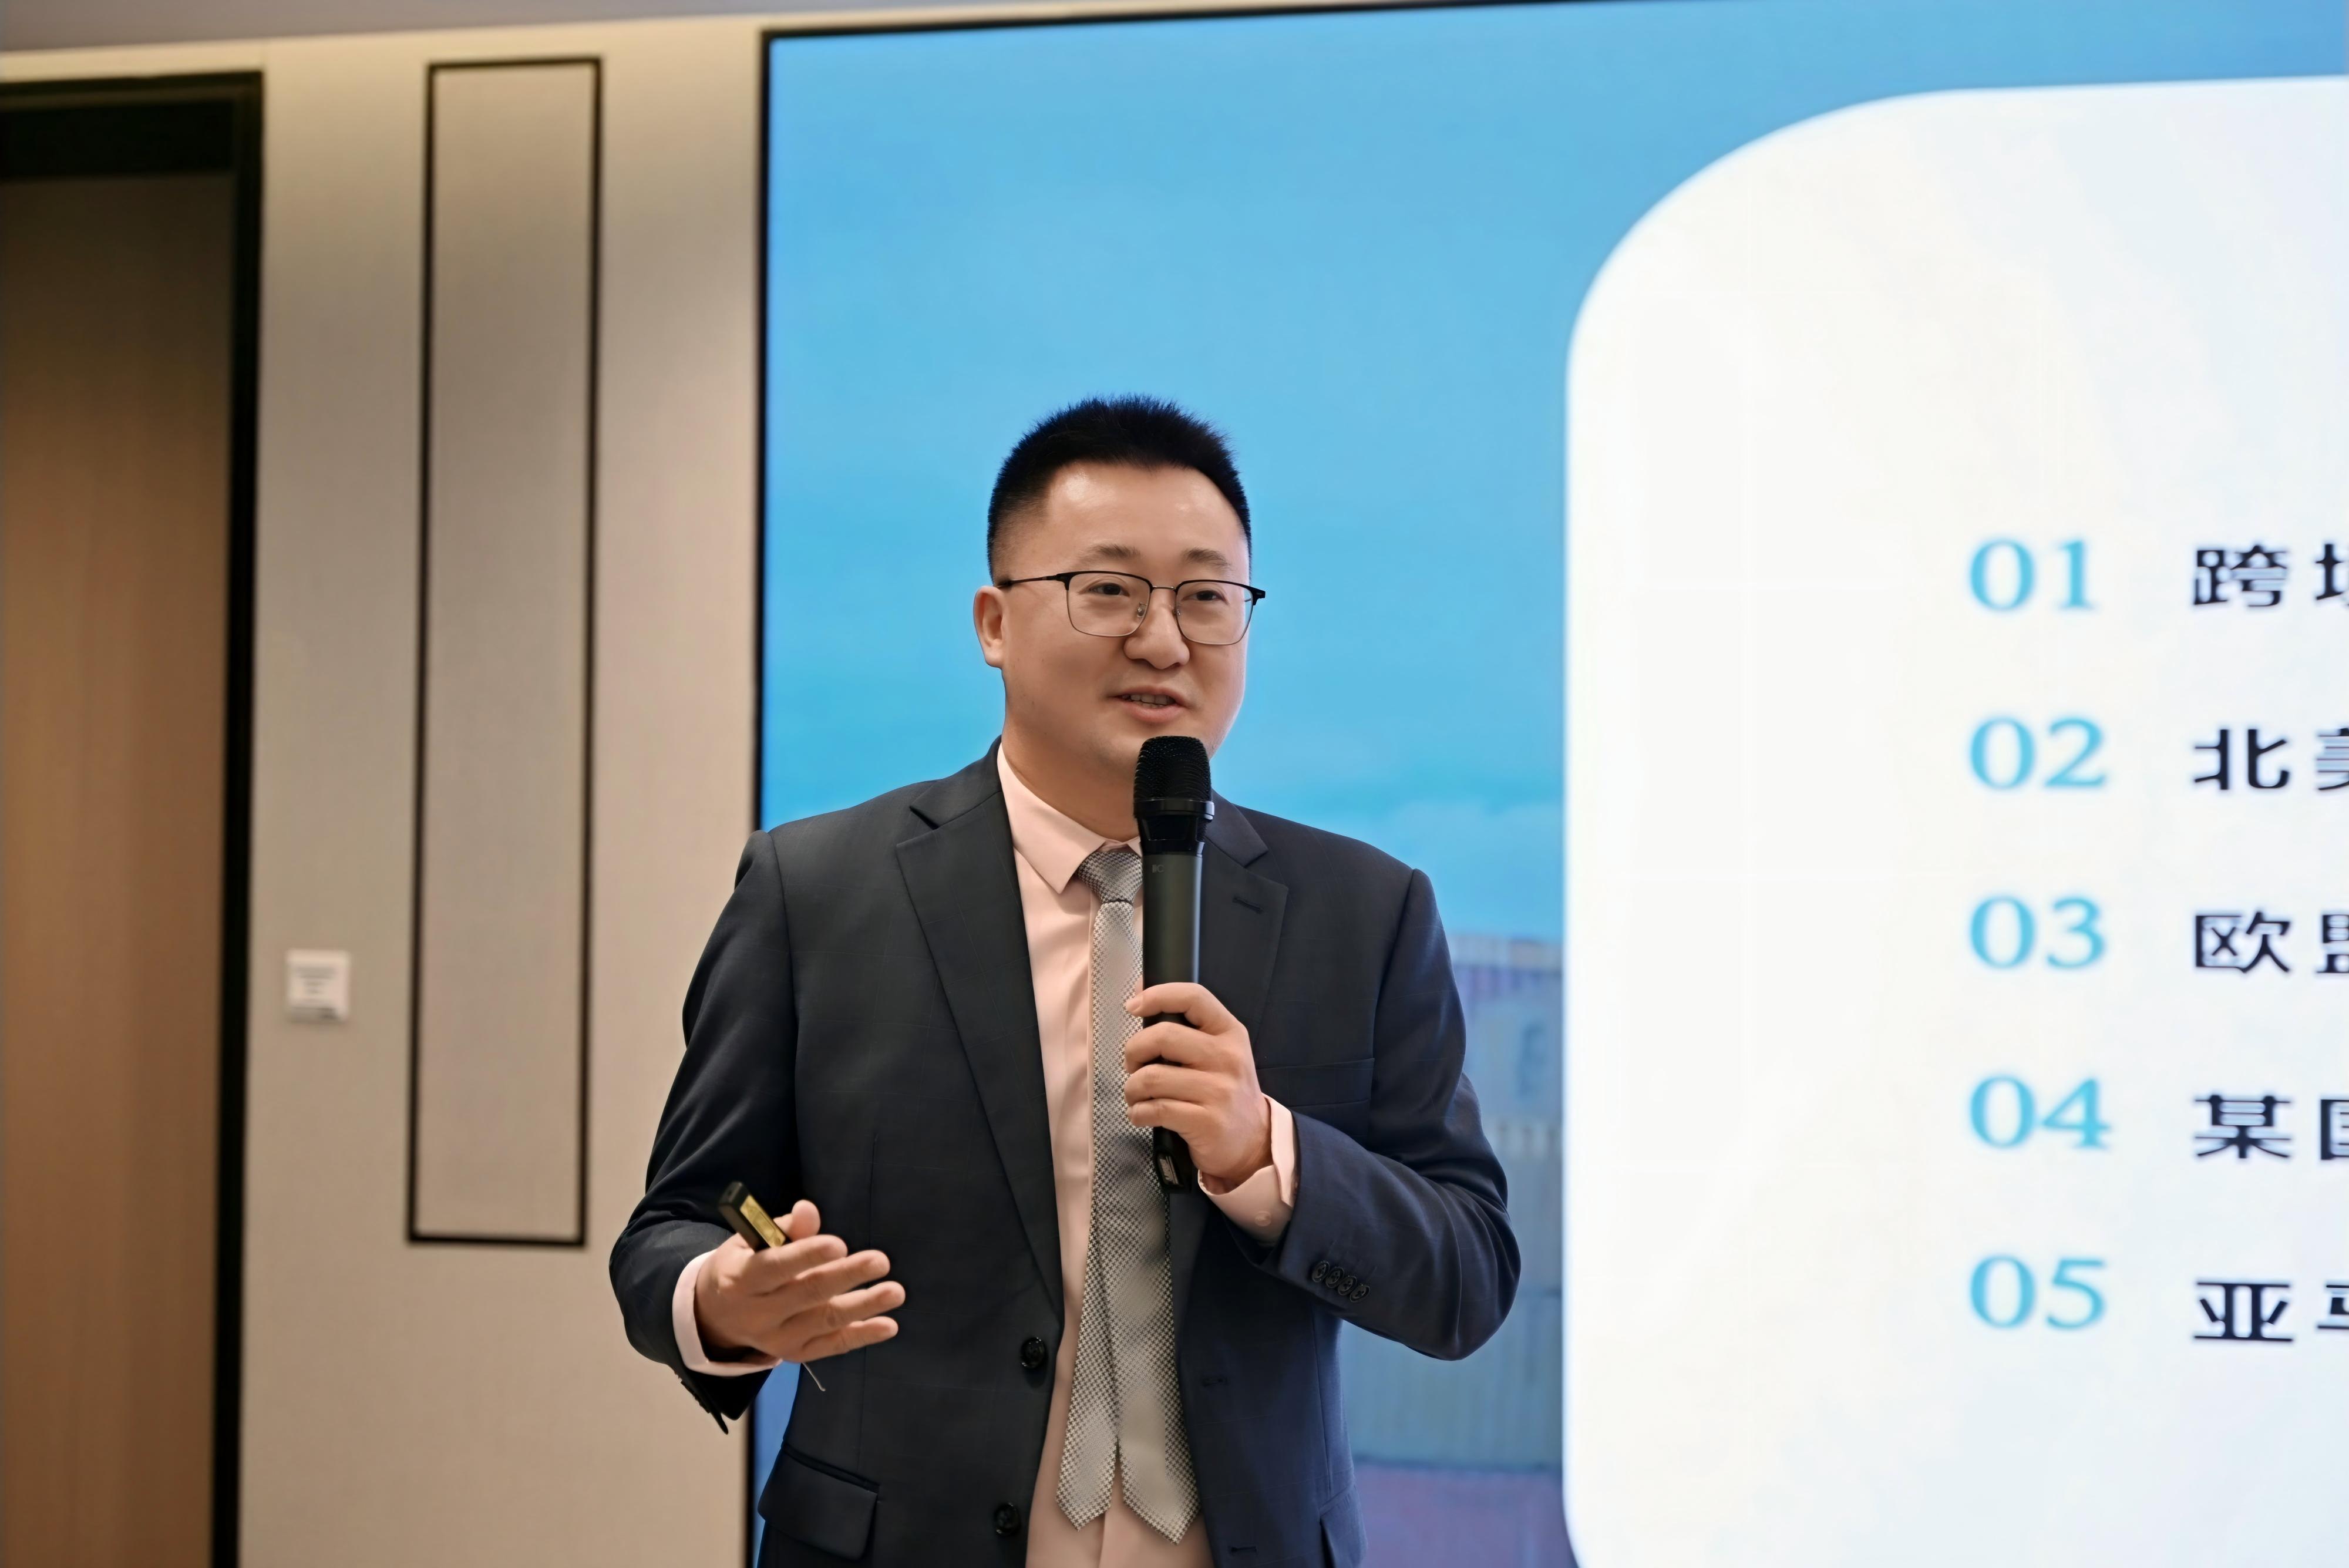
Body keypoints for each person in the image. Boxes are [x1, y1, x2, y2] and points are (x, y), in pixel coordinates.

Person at [611, 396, 1517, 1567]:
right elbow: (670, 1230)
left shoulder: (1365, 911)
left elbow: (1467, 1273)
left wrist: (1266, 1154)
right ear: (994, 622)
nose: (1164, 640)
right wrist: (723, 1300)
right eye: (1110, 590)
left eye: (1206, 597)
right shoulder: (819, 891)